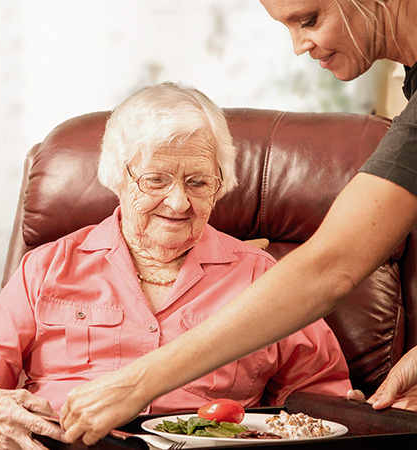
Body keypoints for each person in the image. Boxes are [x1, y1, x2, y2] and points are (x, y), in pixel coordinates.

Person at [59, 0, 417, 445]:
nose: (298, 46)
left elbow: (331, 268)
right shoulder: (48, 263)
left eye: (310, 19)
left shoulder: (254, 270)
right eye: (154, 179)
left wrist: (136, 383)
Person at [0, 82, 352, 450]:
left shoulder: (264, 277)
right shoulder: (49, 266)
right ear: (116, 177)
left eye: (198, 182)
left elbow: (320, 395)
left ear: (220, 184)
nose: (178, 203)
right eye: (156, 180)